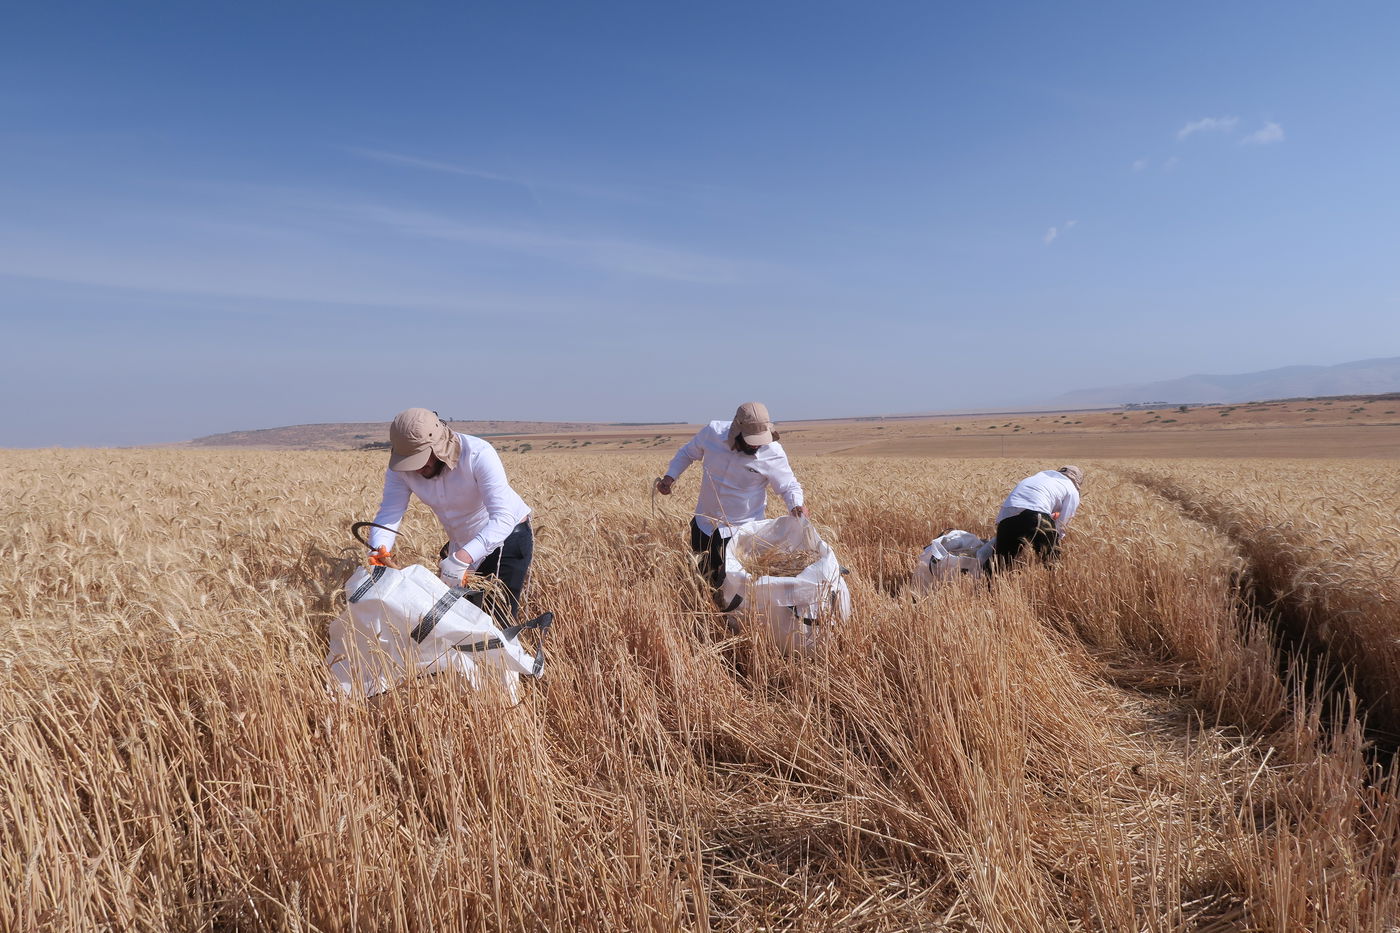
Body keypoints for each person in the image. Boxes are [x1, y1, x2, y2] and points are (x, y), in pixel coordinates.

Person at [365, 408, 533, 619]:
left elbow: (503, 517)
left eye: (421, 459)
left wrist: (463, 558)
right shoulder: (400, 468)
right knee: (458, 620)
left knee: (496, 622)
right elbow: (390, 510)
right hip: (460, 545)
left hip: (506, 539)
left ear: (438, 445)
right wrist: (379, 549)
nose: (416, 469)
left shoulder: (478, 454)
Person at [655, 401, 807, 590]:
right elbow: (687, 453)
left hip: (741, 534)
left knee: (734, 592)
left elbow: (789, 486)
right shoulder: (713, 433)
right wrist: (670, 477)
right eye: (751, 441)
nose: (755, 447)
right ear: (736, 430)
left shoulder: (773, 452)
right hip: (704, 526)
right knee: (702, 583)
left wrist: (795, 505)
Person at [986, 465, 1083, 572]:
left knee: (1000, 563)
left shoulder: (1040, 476)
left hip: (1007, 514)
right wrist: (1055, 540)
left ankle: (986, 586)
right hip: (1036, 513)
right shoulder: (1071, 489)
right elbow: (1063, 521)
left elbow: (1028, 505)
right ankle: (1053, 583)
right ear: (1076, 482)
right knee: (1052, 562)